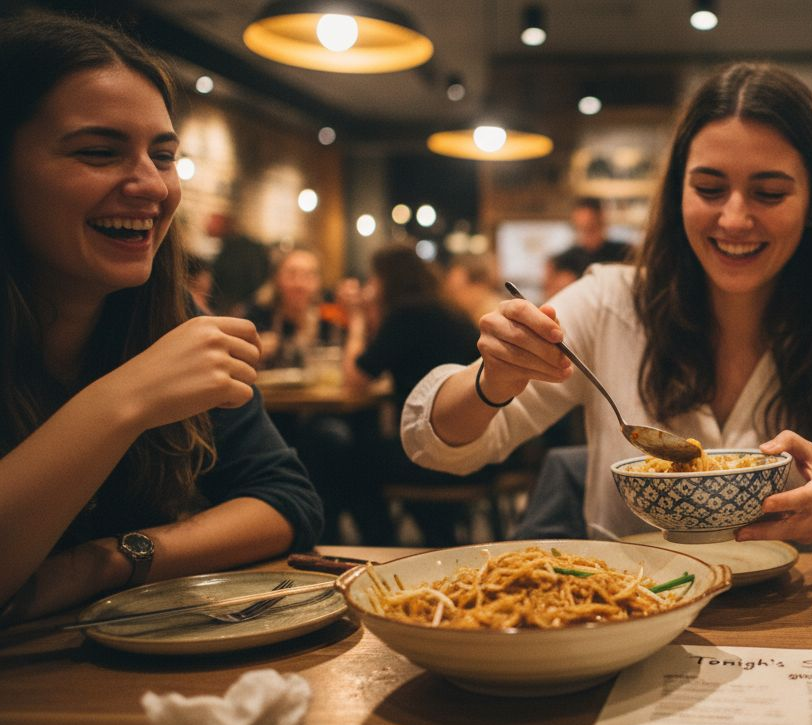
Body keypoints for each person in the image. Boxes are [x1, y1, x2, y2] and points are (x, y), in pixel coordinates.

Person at [402, 62, 812, 543]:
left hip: (800, 625)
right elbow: (435, 444)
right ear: (678, 195)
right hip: (630, 618)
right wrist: (492, 380)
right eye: (710, 188)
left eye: (769, 193)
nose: (734, 219)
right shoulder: (609, 302)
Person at [0, 12, 321, 623]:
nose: (152, 185)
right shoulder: (165, 352)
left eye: (165, 156)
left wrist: (113, 558)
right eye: (98, 152)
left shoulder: (173, 318)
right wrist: (125, 399)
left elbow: (285, 500)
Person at [341, 244, 480, 544]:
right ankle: (437, 535)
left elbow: (356, 379)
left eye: (372, 280)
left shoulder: (406, 315)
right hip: (475, 449)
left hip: (435, 453)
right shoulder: (446, 310)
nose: (369, 288)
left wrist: (356, 321)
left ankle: (380, 546)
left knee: (342, 457)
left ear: (387, 280)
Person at [245, 246, 342, 369]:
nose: (299, 284)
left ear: (319, 282)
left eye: (308, 275)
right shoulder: (258, 315)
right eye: (291, 274)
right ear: (277, 278)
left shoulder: (330, 318)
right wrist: (253, 351)